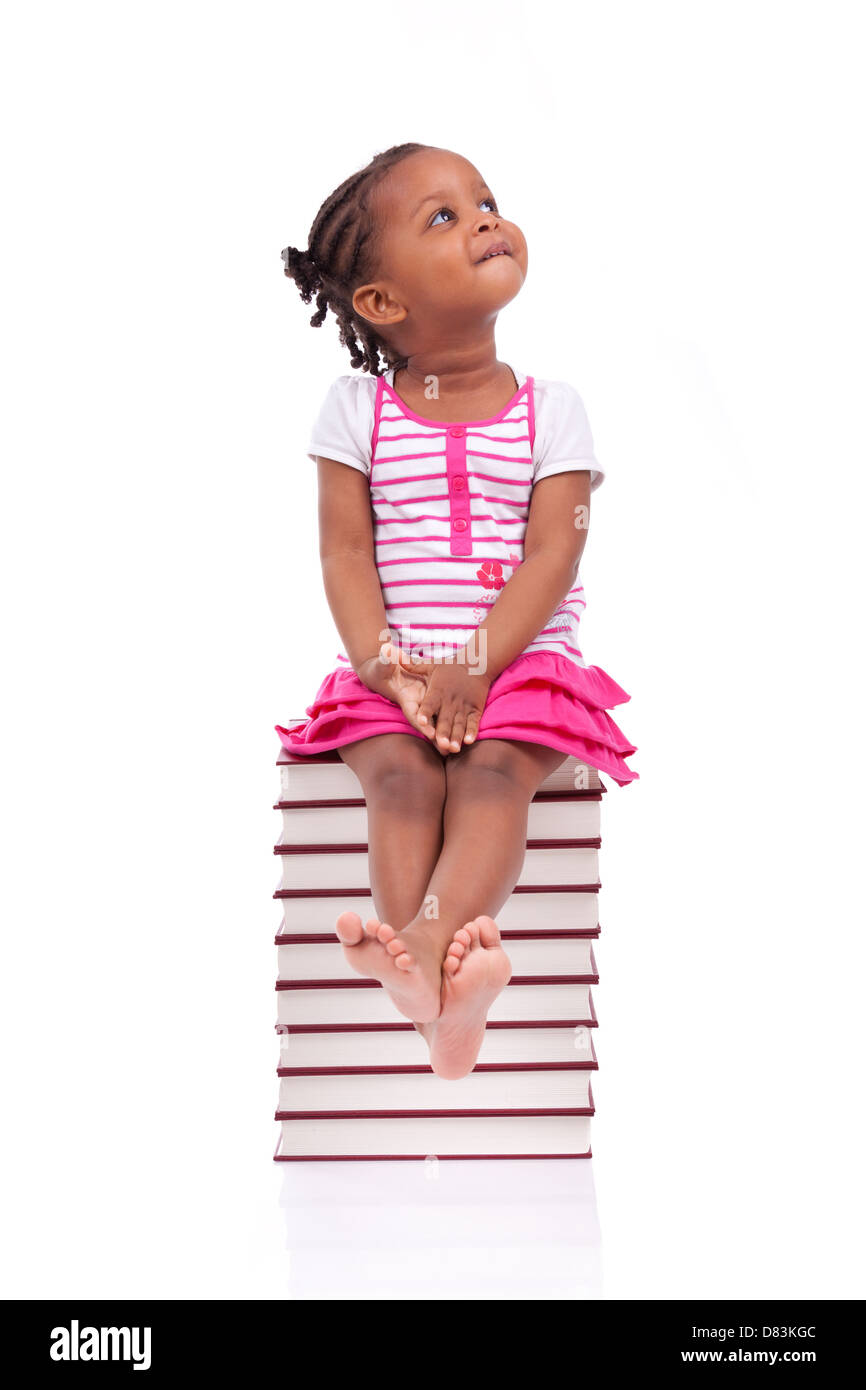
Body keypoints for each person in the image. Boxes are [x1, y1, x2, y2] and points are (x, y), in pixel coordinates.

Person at [277, 142, 638, 1079]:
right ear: (384, 304)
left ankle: (426, 973)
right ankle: (441, 1004)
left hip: (518, 668)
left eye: (485, 200)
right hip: (398, 670)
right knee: (400, 780)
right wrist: (384, 664)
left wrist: (477, 664)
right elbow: (344, 552)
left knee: (491, 779)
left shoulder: (552, 410)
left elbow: (556, 552)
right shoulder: (355, 412)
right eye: (443, 216)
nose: (483, 217)